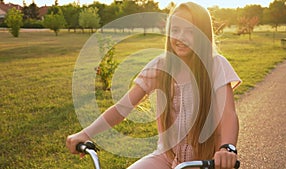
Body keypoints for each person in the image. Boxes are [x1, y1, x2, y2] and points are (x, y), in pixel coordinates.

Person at [66, 2, 241, 169]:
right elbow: (122, 107)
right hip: (165, 158)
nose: (180, 37)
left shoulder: (216, 65)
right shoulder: (160, 67)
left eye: (190, 31)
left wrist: (227, 148)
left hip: (207, 162)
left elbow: (228, 114)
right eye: (175, 30)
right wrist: (86, 133)